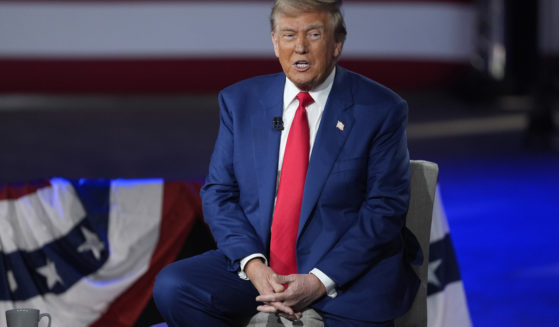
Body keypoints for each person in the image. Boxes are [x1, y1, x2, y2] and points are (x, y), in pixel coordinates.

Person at [153, 0, 419, 326]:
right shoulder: (241, 102)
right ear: (275, 42)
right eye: (289, 35)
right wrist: (253, 266)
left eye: (314, 34)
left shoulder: (380, 109)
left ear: (337, 43)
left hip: (344, 276)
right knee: (175, 287)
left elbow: (384, 208)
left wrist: (319, 280)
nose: (300, 48)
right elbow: (219, 192)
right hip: (261, 268)